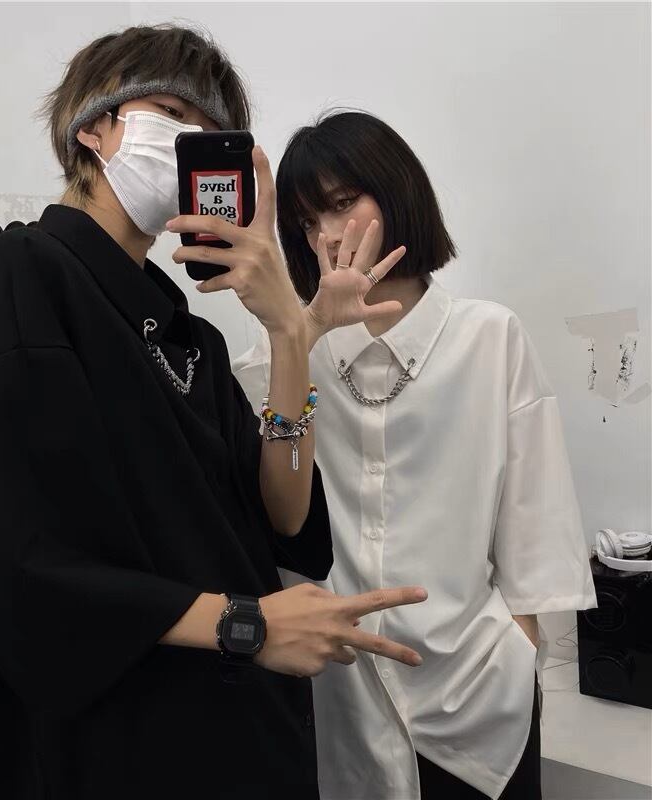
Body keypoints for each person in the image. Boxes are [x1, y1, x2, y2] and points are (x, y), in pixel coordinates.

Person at [0, 28, 427, 800]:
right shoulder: (26, 272)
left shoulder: (189, 336)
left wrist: (290, 332)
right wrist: (249, 624)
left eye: (210, 135)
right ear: (92, 127)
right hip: (135, 742)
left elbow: (284, 516)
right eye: (171, 113)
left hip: (243, 730)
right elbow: (20, 563)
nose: (188, 142)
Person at [232, 110, 597, 799]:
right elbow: (279, 514)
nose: (328, 234)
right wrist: (300, 336)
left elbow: (536, 524)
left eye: (343, 202)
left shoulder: (490, 337)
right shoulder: (282, 354)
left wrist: (519, 652)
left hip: (479, 705)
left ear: (398, 191)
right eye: (307, 222)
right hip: (339, 707)